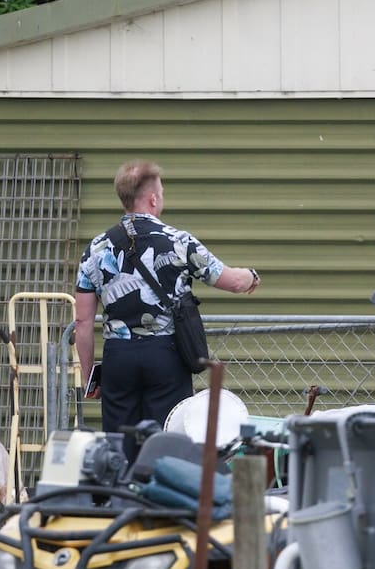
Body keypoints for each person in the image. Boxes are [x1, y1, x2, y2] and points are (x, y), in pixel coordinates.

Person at [75, 160, 260, 453]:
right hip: (165, 356)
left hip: (118, 359)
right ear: (153, 198)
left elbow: (83, 322)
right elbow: (230, 281)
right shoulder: (178, 242)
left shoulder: (96, 249)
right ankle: (161, 495)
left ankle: (122, 496)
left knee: (119, 446)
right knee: (166, 440)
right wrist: (251, 276)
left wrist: (89, 376)